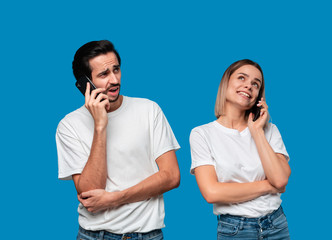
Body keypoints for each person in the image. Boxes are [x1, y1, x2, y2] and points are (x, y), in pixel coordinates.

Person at [56, 40, 180, 240]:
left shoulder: (149, 110)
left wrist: (115, 198)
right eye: (104, 74)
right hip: (95, 236)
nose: (114, 80)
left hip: (147, 235)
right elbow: (90, 193)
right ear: (85, 83)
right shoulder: (69, 126)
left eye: (116, 70)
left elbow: (171, 176)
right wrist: (100, 126)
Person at [190, 59, 291, 239]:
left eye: (255, 84)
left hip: (276, 225)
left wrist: (257, 131)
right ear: (226, 82)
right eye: (242, 78)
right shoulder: (202, 134)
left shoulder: (270, 130)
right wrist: (269, 186)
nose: (248, 86)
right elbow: (212, 193)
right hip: (235, 230)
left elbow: (281, 180)